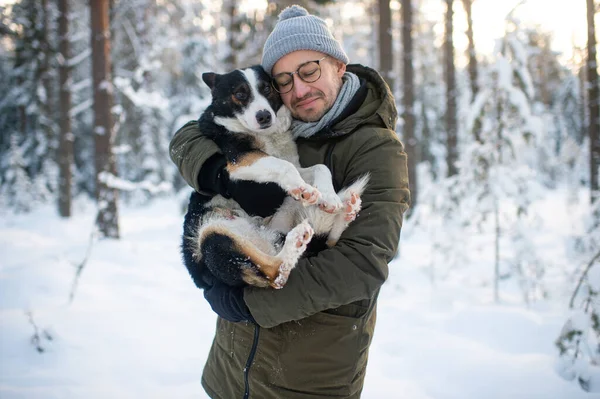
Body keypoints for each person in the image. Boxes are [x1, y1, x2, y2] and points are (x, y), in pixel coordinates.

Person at [169, 5, 410, 398]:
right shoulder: (277, 121)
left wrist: (250, 304)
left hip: (307, 377)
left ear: (338, 65)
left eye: (310, 71)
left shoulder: (376, 147)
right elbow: (186, 137)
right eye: (285, 80)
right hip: (233, 372)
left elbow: (363, 265)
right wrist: (218, 173)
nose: (299, 89)